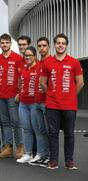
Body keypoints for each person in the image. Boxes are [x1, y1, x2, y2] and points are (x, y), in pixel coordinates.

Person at [40, 33, 84, 170]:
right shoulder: (47, 62)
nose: (60, 45)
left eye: (63, 43)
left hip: (69, 105)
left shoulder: (74, 62)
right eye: (58, 43)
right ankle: (53, 160)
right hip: (52, 104)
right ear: (55, 45)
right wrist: (52, 94)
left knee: (69, 134)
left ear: (66, 45)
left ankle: (69, 161)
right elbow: (42, 82)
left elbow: (81, 83)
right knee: (53, 133)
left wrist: (71, 95)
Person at [0, 33, 24, 159]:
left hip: (12, 95)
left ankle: (20, 147)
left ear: (10, 43)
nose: (4, 45)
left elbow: (21, 77)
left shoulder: (17, 58)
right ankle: (8, 148)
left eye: (6, 42)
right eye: (2, 43)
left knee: (16, 121)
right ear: (0, 44)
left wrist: (20, 92)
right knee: (5, 123)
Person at [28, 37, 51, 167]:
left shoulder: (51, 61)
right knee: (40, 130)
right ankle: (42, 155)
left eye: (44, 45)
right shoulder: (38, 63)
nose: (42, 48)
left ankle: (49, 157)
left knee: (48, 131)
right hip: (36, 101)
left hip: (47, 102)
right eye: (40, 46)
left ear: (48, 47)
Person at [16, 46, 41, 163]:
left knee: (37, 129)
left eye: (30, 55)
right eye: (26, 55)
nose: (27, 57)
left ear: (35, 56)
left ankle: (40, 154)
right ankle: (28, 153)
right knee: (26, 129)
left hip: (35, 103)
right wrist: (19, 93)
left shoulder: (40, 67)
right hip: (23, 103)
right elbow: (20, 83)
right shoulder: (23, 68)